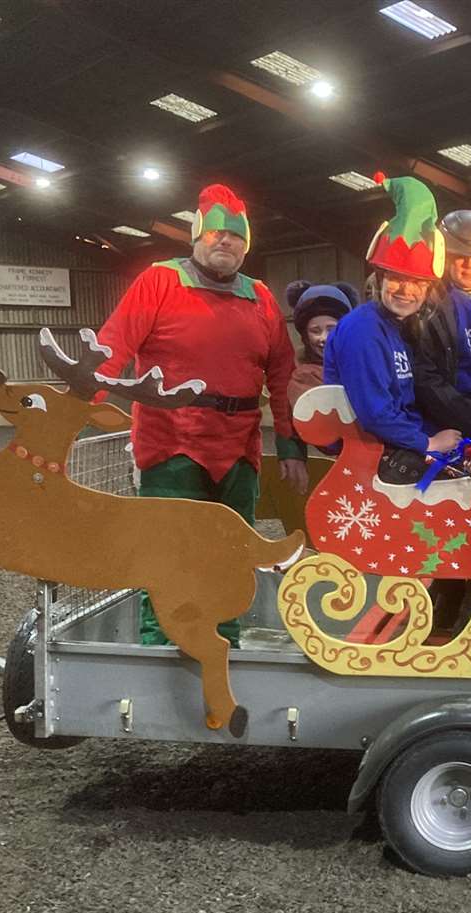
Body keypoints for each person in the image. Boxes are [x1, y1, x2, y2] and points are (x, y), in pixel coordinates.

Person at [94, 182, 302, 646]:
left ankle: (223, 641)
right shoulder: (159, 280)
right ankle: (160, 644)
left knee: (230, 553)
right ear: (197, 236)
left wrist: (289, 446)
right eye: (215, 234)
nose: (225, 241)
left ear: (246, 245)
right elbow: (112, 348)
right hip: (171, 441)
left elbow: (283, 375)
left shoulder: (262, 298)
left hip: (239, 447)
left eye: (236, 236)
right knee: (169, 552)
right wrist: (76, 411)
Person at [324, 174, 460, 484]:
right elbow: (375, 414)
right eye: (397, 278)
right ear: (380, 279)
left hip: (395, 445)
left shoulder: (398, 328)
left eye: (417, 282)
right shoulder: (363, 331)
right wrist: (428, 443)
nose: (405, 290)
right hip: (372, 459)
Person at [415, 209, 471, 436]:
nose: (469, 265)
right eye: (460, 257)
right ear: (446, 258)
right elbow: (426, 377)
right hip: (454, 419)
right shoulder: (429, 307)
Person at [284, 280, 356, 411]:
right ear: (305, 336)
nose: (324, 338)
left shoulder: (363, 364)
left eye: (332, 329)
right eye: (315, 331)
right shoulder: (304, 377)